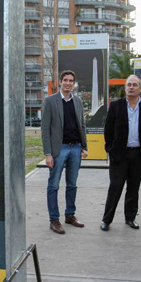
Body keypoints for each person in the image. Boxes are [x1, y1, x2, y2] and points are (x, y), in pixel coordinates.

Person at [100, 75, 141, 231]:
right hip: (119, 154)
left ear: (140, 88)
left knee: (133, 188)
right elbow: (108, 129)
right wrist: (109, 148)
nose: (131, 87)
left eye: (134, 85)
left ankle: (130, 218)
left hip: (139, 154)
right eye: (128, 85)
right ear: (125, 88)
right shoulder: (116, 106)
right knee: (115, 186)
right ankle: (107, 219)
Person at [41, 70, 88, 234]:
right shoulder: (50, 101)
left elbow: (81, 125)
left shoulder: (78, 101)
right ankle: (54, 219)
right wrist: (48, 153)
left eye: (71, 81)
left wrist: (84, 146)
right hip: (58, 149)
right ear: (60, 82)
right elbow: (45, 129)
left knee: (72, 184)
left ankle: (70, 215)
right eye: (65, 80)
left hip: (75, 148)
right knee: (53, 185)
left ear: (73, 84)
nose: (68, 83)